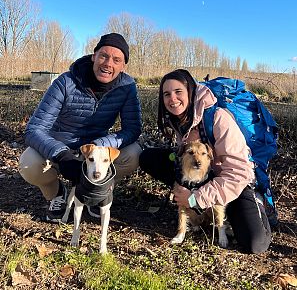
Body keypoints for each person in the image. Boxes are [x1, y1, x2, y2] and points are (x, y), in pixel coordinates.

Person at [139, 69, 271, 254]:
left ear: (191, 92)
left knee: (255, 243)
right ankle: (187, 196)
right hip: (204, 174)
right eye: (166, 94)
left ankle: (248, 204)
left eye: (178, 92)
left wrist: (196, 198)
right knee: (148, 157)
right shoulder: (179, 118)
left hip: (234, 180)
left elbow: (238, 174)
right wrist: (181, 184)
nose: (172, 99)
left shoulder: (217, 118)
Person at [19, 33, 142, 222]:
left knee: (133, 153)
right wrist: (61, 154)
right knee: (29, 163)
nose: (108, 63)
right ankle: (56, 194)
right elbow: (34, 129)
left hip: (96, 148)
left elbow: (132, 129)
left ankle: (97, 193)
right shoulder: (65, 82)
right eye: (103, 56)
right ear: (94, 56)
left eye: (116, 60)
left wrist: (101, 144)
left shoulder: (127, 87)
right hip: (60, 146)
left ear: (123, 66)